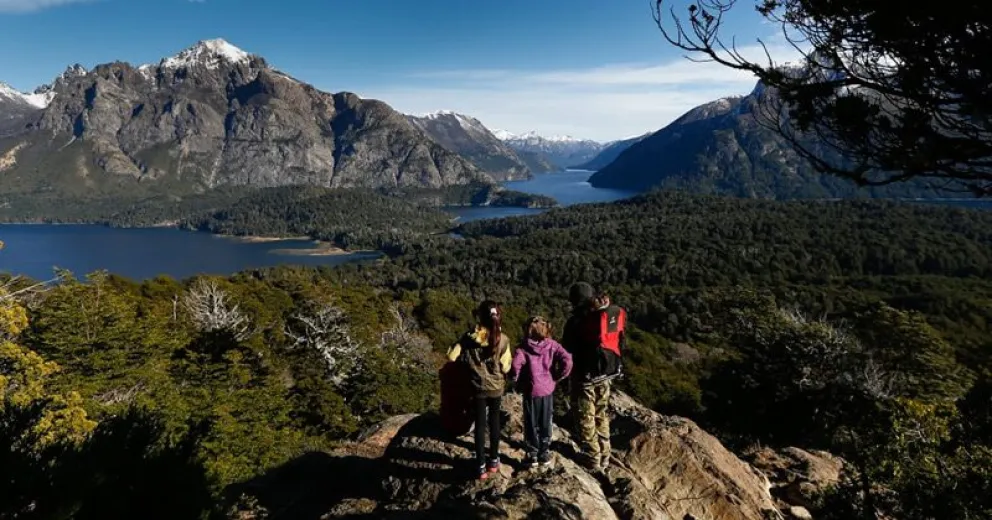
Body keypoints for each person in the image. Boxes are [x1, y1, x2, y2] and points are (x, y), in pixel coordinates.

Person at [446, 300, 513, 480]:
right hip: (496, 388)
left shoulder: (469, 338)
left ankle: (481, 466)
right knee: (495, 422)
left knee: (480, 424)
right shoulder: (503, 339)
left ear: (480, 318)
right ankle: (494, 461)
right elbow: (506, 367)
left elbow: (451, 357)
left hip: (477, 388)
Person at [562, 282, 625, 472]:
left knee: (585, 417)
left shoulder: (576, 322)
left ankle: (592, 457)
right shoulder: (603, 317)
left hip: (584, 376)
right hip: (605, 373)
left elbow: (567, 350)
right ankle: (605, 453)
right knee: (601, 413)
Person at [509, 316, 573, 468]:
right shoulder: (552, 345)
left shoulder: (523, 348)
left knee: (531, 422)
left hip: (531, 390)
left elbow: (515, 365)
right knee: (546, 421)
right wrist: (558, 376)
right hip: (547, 389)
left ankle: (532, 454)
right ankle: (544, 452)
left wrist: (515, 379)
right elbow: (568, 360)